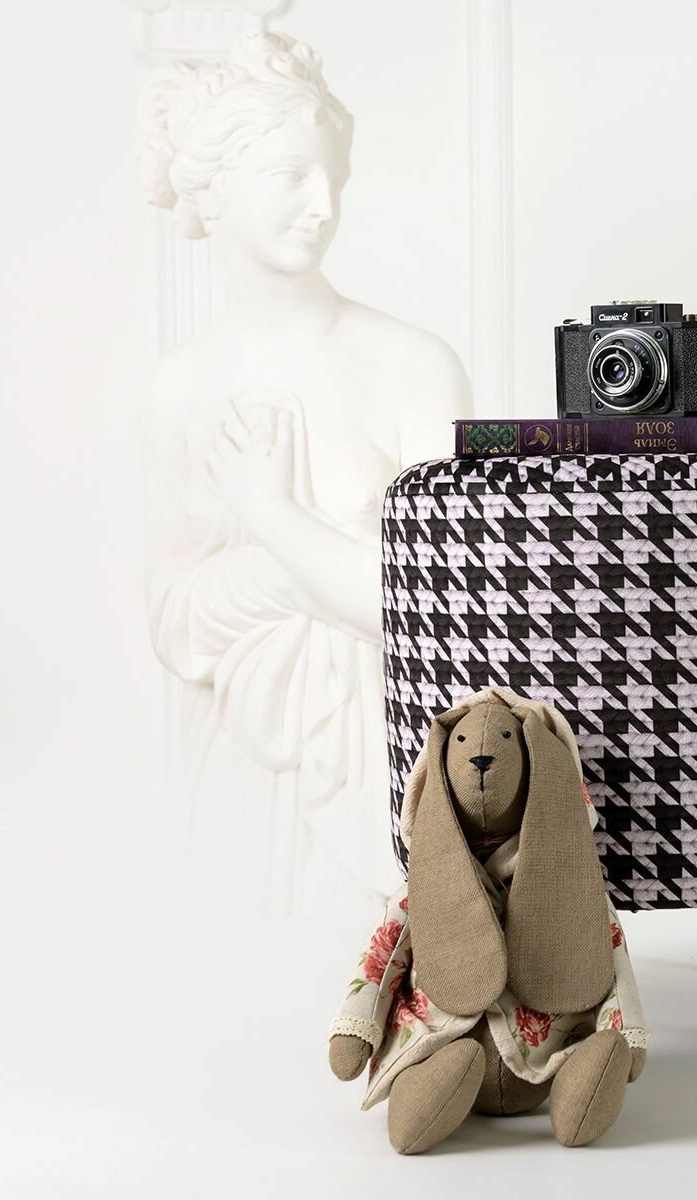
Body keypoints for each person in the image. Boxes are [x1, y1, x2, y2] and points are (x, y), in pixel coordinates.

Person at [136, 31, 472, 916]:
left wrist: (273, 518)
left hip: (384, 775)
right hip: (235, 788)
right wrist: (313, 570)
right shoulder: (180, 387)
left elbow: (436, 607)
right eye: (289, 175)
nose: (322, 205)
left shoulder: (414, 366)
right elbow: (175, 626)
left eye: (333, 178)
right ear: (216, 185)